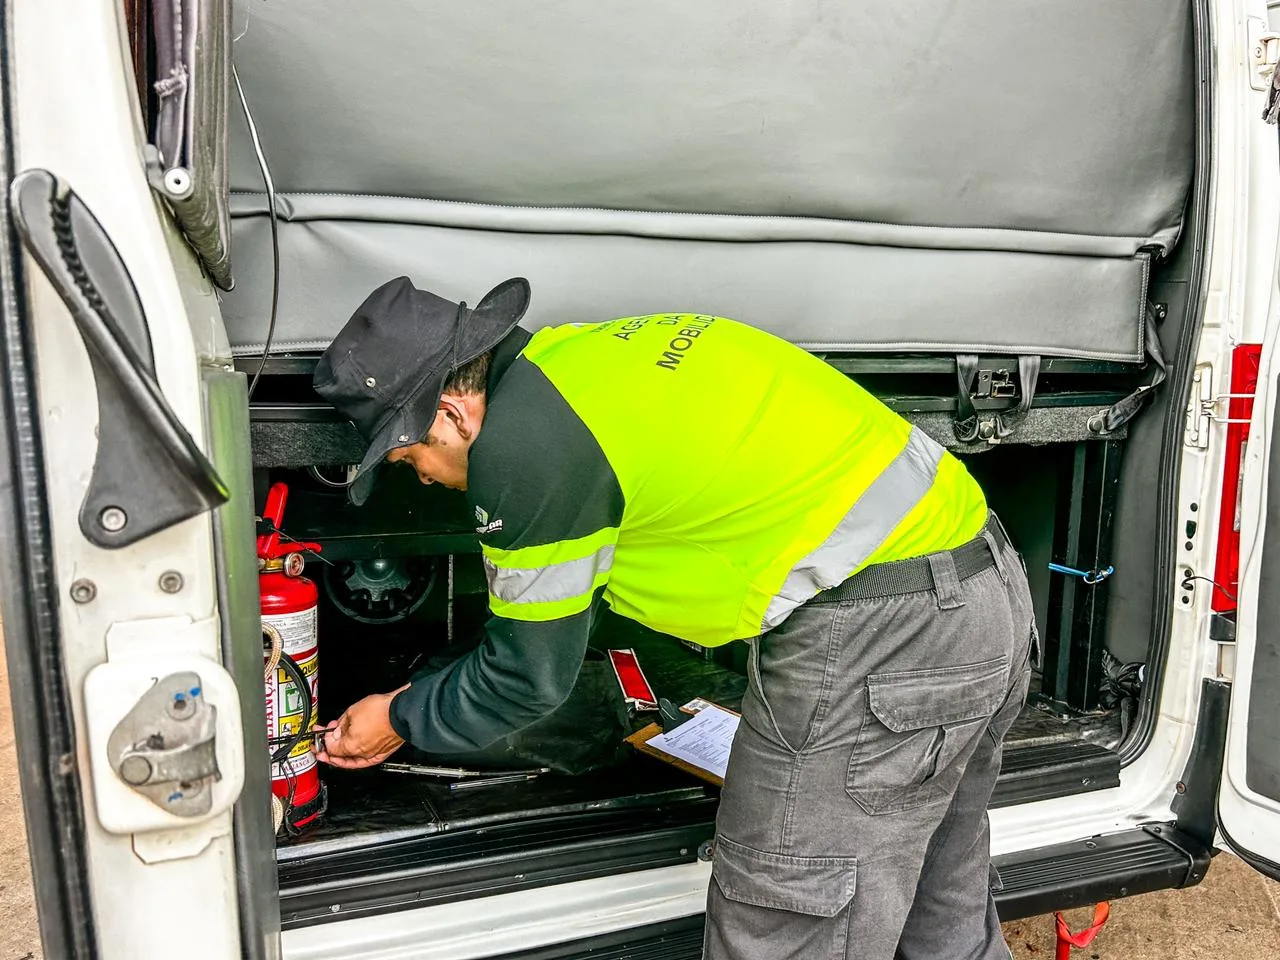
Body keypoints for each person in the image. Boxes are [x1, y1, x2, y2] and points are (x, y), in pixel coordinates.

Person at [311, 275, 1034, 960]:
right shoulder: (584, 359)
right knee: (943, 909)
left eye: (409, 458)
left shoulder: (527, 448)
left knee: (785, 914)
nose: (422, 478)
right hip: (981, 594)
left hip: (885, 640)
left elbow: (524, 681)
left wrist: (399, 716)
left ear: (452, 412)